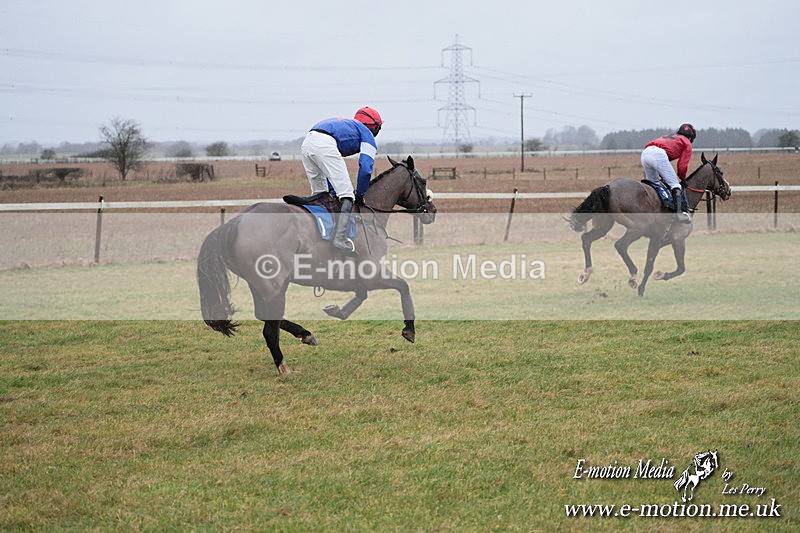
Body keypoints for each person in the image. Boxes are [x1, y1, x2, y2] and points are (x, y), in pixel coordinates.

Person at [300, 107, 383, 253]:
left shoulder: (350, 126)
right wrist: (360, 194)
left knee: (322, 195)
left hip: (307, 142)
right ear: (376, 127)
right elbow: (366, 168)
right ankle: (339, 238)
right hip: (325, 144)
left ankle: (320, 236)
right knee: (347, 195)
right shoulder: (367, 134)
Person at [641, 123, 696, 223]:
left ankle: (654, 210)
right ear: (691, 137)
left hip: (645, 153)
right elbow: (682, 166)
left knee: (654, 184)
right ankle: (679, 214)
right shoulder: (687, 142)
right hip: (658, 154)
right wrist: (682, 178)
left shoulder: (672, 136)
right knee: (676, 185)